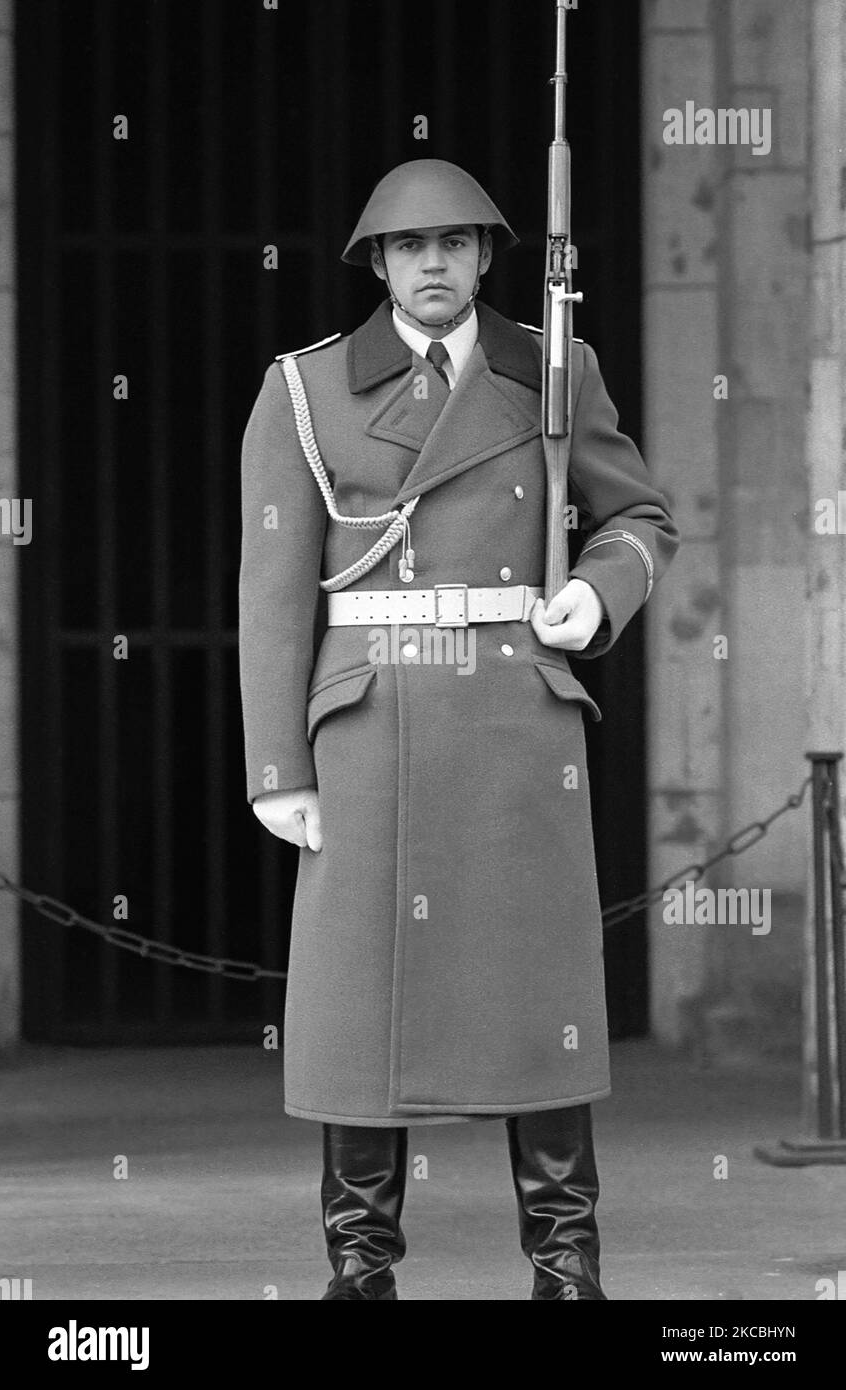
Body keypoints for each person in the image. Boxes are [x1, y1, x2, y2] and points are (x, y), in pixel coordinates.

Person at [238, 158, 679, 1301]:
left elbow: (635, 512)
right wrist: (275, 764)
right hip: (372, 722)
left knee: (541, 1005)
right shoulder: (306, 390)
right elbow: (275, 591)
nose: (431, 264)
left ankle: (566, 1257)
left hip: (512, 718)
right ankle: (360, 1262)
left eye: (453, 244)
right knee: (354, 1012)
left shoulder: (551, 367)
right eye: (407, 246)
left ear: (486, 255)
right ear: (376, 263)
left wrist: (598, 589)